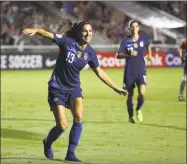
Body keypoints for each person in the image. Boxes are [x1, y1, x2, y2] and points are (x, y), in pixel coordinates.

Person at [22, 19, 127, 162]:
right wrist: (36, 30)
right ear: (79, 32)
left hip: (74, 88)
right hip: (57, 87)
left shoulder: (90, 52)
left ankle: (70, 154)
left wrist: (115, 87)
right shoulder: (66, 41)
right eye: (85, 31)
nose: (88, 34)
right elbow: (46, 33)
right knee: (62, 125)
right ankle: (47, 143)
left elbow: (100, 72)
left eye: (90, 31)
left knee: (78, 118)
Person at [116, 20, 152, 123]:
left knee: (142, 93)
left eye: (136, 26)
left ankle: (138, 108)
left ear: (138, 28)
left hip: (141, 70)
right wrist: (128, 53)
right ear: (129, 28)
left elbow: (148, 45)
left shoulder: (143, 38)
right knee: (130, 95)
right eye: (132, 27)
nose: (134, 28)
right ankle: (131, 116)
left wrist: (150, 55)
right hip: (129, 72)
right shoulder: (125, 40)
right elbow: (118, 55)